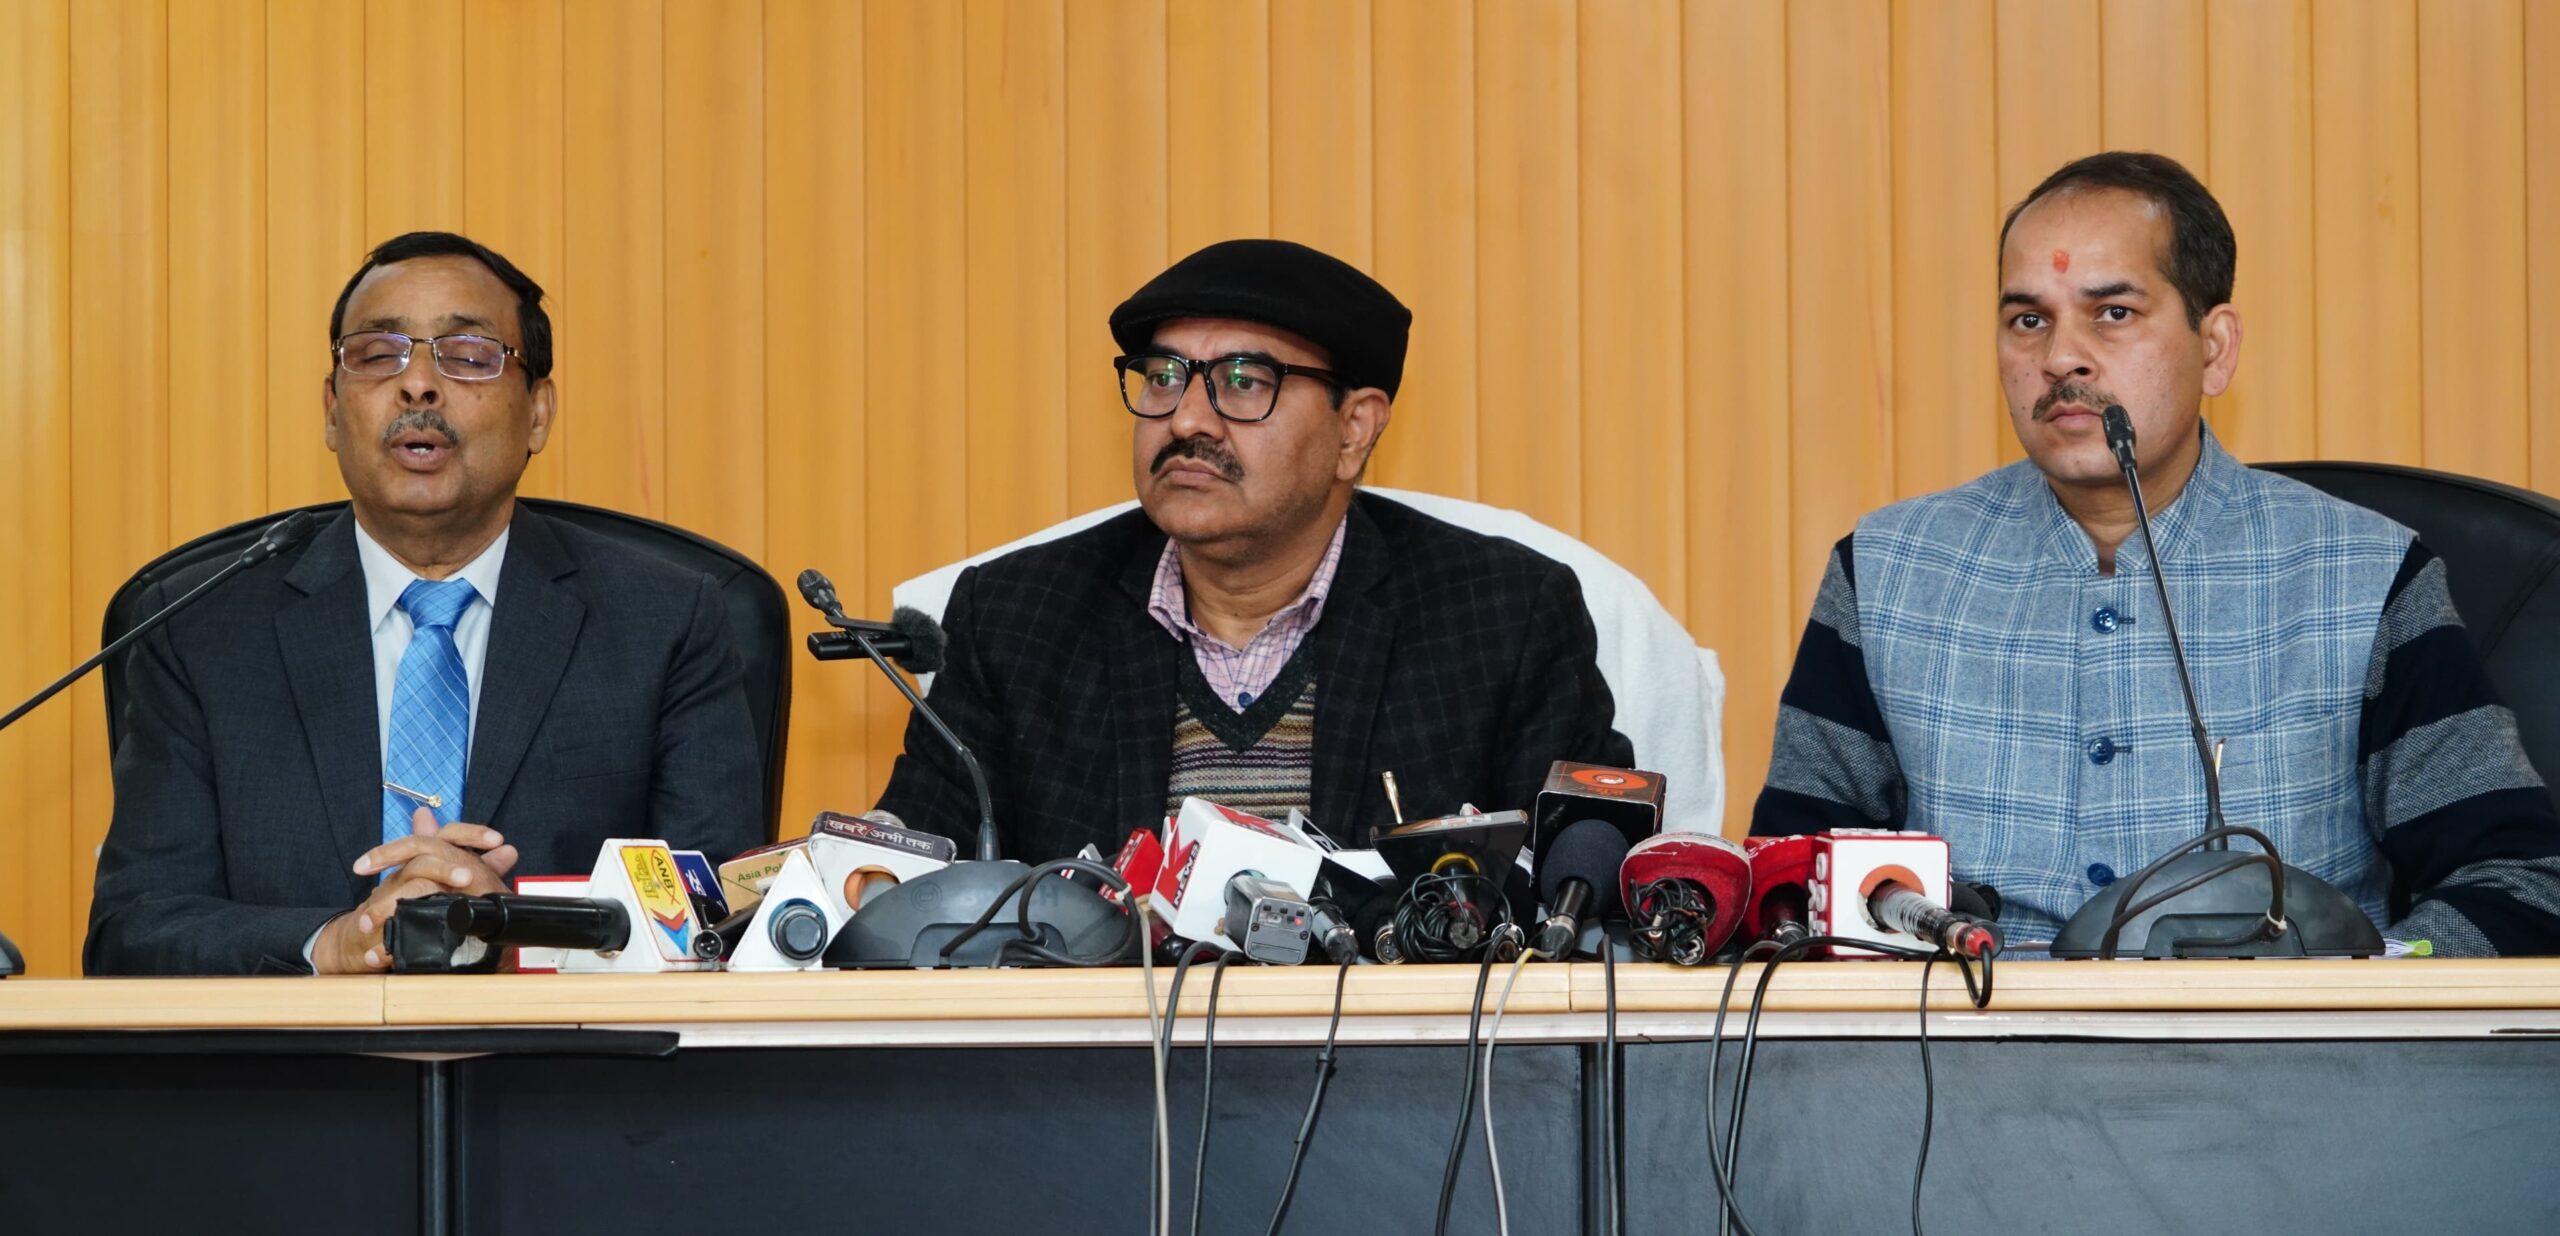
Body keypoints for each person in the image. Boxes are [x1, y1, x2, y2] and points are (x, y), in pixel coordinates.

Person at [1753, 152, 2560, 955]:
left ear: (2215, 348)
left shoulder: (2362, 575)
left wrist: (2369, 989)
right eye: (2028, 320)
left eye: (2112, 313)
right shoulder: (1888, 573)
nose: (2060, 357)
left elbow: (2518, 880)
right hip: (1969, 1030)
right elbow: (1786, 893)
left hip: (2285, 1035)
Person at [86, 231, 763, 975]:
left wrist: (516, 929)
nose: (417, 385)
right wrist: (335, 942)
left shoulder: (665, 622)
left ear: (538, 413)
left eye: (467, 355)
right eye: (379, 354)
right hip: (293, 1049)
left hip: (560, 1047)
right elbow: (134, 932)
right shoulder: (198, 630)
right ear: (332, 411)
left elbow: (719, 919)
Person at [873, 239, 1631, 859]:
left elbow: (1585, 869)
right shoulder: (1017, 617)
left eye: (1242, 381)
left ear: (1355, 429)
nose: (1184, 420)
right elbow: (908, 870)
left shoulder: (1502, 615)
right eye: (1163, 377)